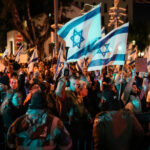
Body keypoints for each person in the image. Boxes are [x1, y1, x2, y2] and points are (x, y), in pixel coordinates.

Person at [7, 89, 72, 149]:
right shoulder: (55, 122)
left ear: (31, 104)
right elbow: (67, 145)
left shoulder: (18, 122)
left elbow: (9, 144)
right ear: (46, 104)